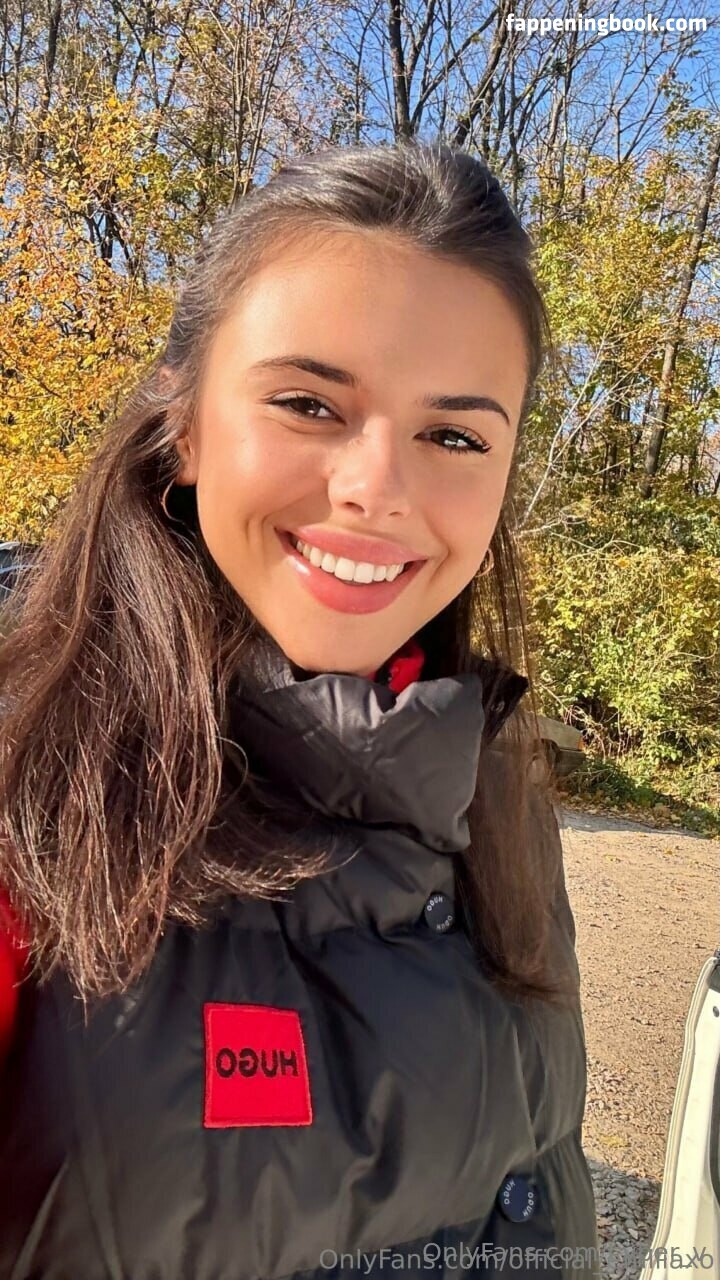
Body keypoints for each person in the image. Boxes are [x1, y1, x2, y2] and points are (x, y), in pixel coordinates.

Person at [0, 139, 600, 1278]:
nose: (377, 488)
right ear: (184, 425)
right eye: (309, 403)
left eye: (454, 435)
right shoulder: (28, 790)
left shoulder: (496, 785)